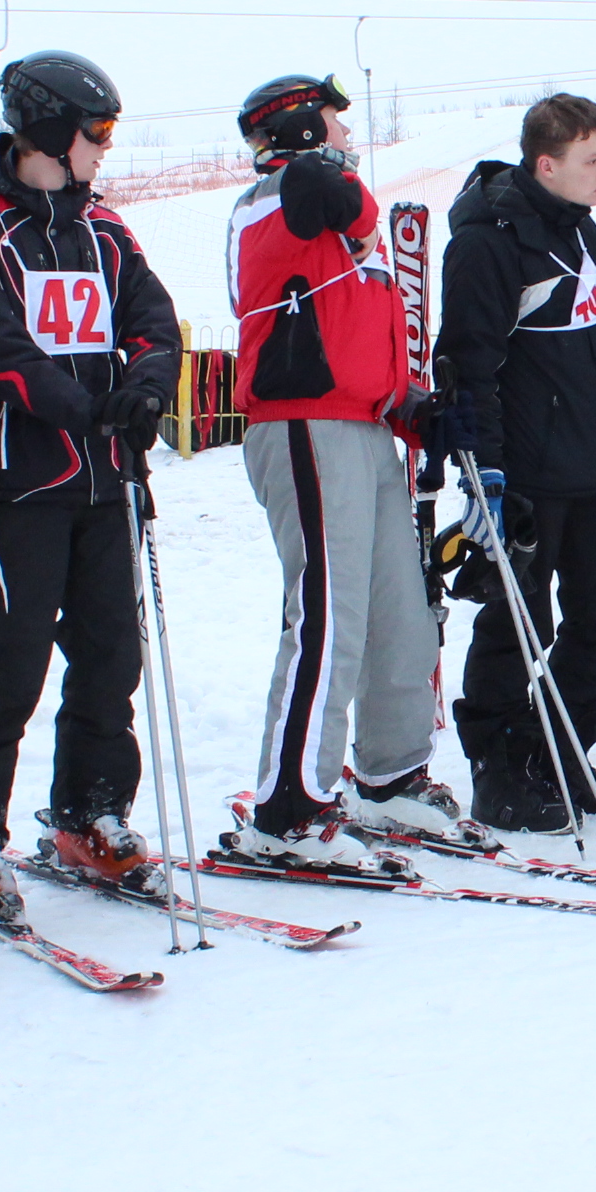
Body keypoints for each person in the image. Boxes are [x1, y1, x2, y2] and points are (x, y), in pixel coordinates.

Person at [0, 52, 185, 914]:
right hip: (19, 483)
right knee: (13, 658)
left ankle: (90, 810)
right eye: (94, 131)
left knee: (111, 654)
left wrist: (145, 387)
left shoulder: (104, 228)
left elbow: (152, 317)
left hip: (106, 481)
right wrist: (85, 408)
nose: (104, 147)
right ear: (47, 130)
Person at [223, 72, 455, 865]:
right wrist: (322, 166)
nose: (348, 136)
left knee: (400, 612)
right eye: (333, 121)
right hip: (302, 428)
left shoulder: (328, 219)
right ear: (299, 129)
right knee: (329, 616)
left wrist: (406, 403)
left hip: (362, 427)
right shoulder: (276, 199)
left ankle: (391, 776)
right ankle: (288, 809)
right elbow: (330, 195)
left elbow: (347, 334)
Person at [439, 94, 596, 833]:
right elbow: (467, 365)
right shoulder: (489, 243)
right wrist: (484, 474)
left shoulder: (582, 229)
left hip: (591, 466)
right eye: (593, 160)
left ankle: (555, 751)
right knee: (515, 625)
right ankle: (498, 770)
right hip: (522, 475)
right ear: (547, 164)